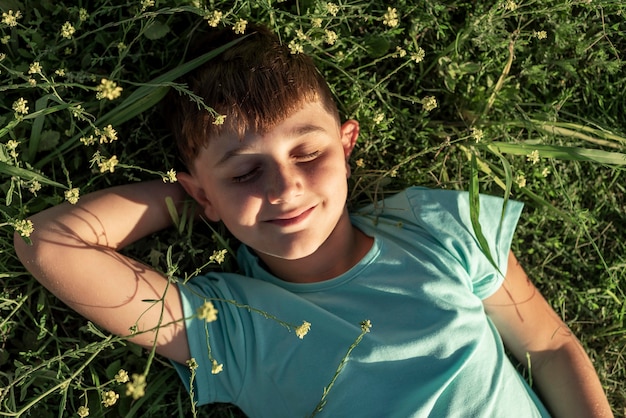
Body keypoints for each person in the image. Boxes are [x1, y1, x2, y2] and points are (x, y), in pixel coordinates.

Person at [14, 23, 613, 418]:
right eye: (245, 175)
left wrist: (222, 191)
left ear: (347, 145)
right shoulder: (231, 326)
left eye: (308, 153)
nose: (285, 187)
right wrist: (185, 196)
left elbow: (550, 346)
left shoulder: (438, 227)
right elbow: (48, 244)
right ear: (205, 197)